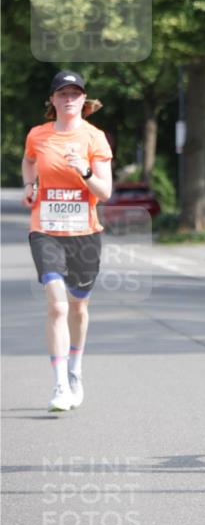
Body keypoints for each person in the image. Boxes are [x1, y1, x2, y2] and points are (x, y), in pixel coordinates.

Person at [22, 71, 113, 413]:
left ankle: (75, 371)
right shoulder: (38, 135)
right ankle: (60, 384)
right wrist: (29, 186)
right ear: (53, 100)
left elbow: (105, 192)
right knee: (58, 306)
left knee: (78, 306)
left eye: (75, 93)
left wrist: (84, 171)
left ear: (83, 100)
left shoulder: (95, 138)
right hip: (45, 230)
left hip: (85, 234)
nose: (69, 99)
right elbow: (29, 161)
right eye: (63, 93)